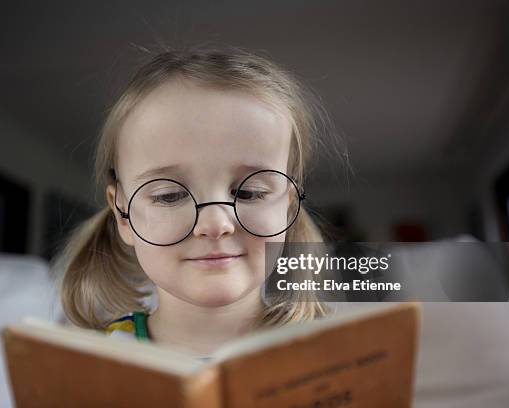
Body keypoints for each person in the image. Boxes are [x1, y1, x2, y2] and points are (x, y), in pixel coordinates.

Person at [56, 45, 342, 357]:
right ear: (124, 215)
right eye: (170, 196)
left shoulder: (325, 354)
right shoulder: (97, 362)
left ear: (288, 206)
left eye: (250, 193)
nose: (215, 224)